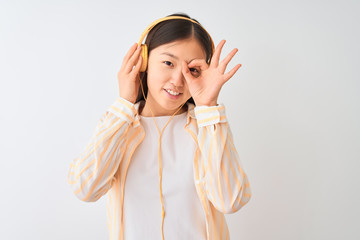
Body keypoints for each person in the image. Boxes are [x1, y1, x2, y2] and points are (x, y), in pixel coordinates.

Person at [67, 13, 251, 240]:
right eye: (168, 63)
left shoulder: (208, 127)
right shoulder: (119, 124)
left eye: (192, 69)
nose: (178, 80)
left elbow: (230, 201)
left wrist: (209, 108)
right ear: (142, 62)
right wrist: (124, 104)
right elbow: (85, 189)